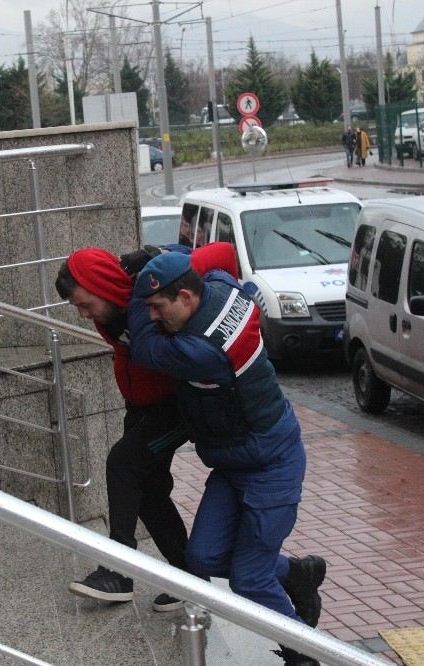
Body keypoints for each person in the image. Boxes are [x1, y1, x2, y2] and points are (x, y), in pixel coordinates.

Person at [127, 252, 327, 666]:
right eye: (147, 307)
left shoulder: (203, 350)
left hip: (272, 466)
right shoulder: (223, 289)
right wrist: (159, 260)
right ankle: (296, 574)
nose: (152, 316)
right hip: (234, 462)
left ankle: (303, 652)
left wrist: (132, 288)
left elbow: (143, 348)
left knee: (249, 578)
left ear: (184, 297)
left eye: (156, 307)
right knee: (204, 558)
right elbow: (212, 263)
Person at [57, 243, 238, 611]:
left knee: (122, 463)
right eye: (77, 307)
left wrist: (161, 251)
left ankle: (117, 570)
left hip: (176, 407)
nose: (82, 315)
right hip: (140, 407)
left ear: (105, 287)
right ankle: (191, 580)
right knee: (149, 491)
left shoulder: (149, 292)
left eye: (85, 305)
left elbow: (224, 254)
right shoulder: (108, 312)